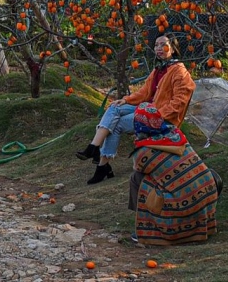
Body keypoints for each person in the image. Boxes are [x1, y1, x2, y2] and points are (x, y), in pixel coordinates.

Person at [77, 34, 195, 185]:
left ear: (172, 49)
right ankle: (93, 147)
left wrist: (156, 116)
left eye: (163, 45)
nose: (159, 48)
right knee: (115, 107)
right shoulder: (158, 69)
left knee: (117, 124)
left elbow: (179, 102)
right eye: (156, 45)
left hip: (161, 117)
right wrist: (125, 100)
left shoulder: (180, 71)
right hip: (147, 108)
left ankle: (102, 165)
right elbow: (144, 93)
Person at [125, 102, 219, 246]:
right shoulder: (176, 134)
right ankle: (201, 223)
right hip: (207, 196)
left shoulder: (143, 153)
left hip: (183, 207)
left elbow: (137, 168)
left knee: (137, 179)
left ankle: (144, 227)